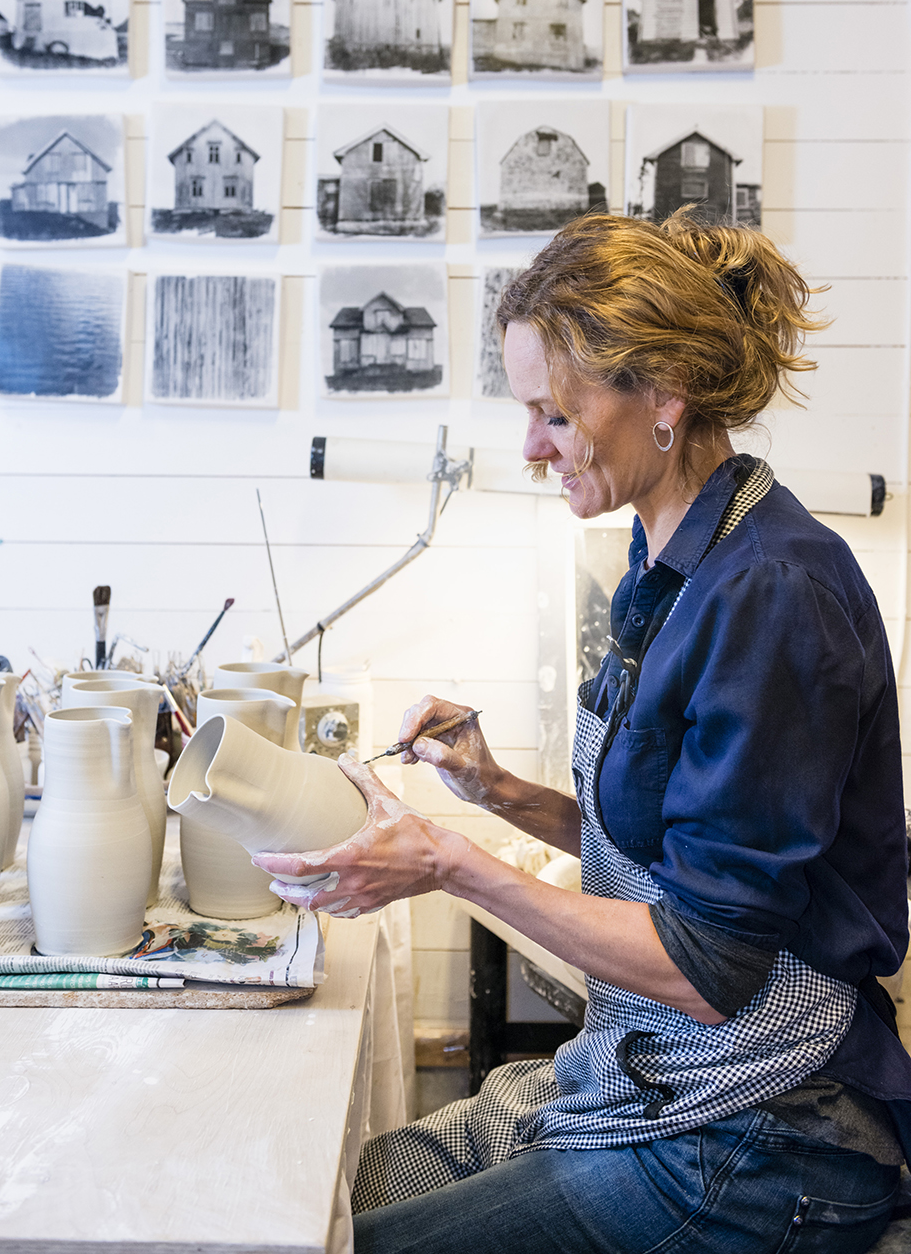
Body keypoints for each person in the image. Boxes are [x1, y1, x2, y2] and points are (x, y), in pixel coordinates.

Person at [253, 213, 911, 1253]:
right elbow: (676, 850)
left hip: (762, 1130)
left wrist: (450, 864)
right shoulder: (673, 565)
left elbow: (707, 964)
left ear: (663, 396)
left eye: (553, 413)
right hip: (665, 1067)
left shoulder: (770, 592)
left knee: (347, 1245)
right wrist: (497, 793)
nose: (529, 447)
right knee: (342, 1190)